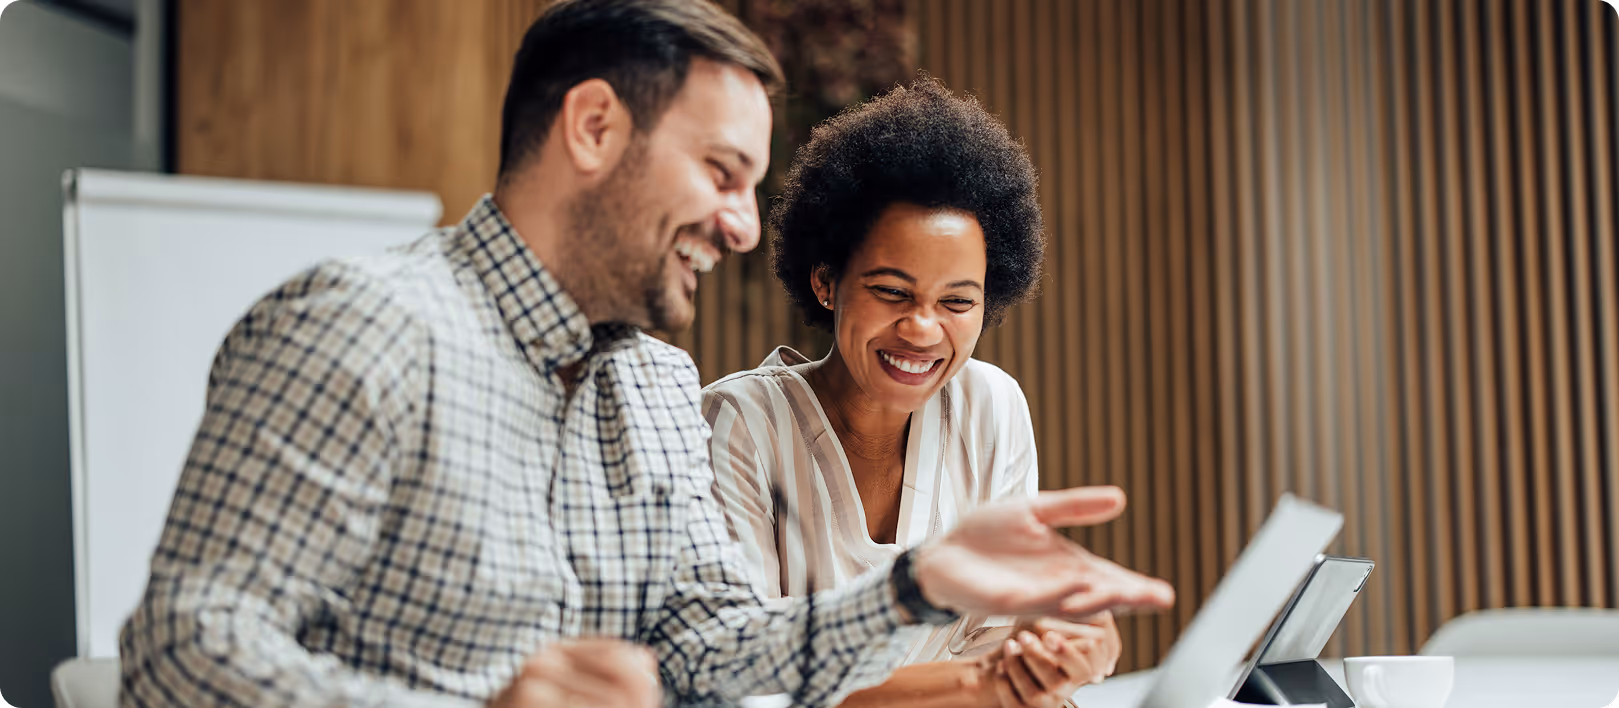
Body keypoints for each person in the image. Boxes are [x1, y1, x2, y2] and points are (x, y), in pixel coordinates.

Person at [118, 2, 1174, 707]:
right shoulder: (365, 325)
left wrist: (912, 588)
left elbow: (713, 653)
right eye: (719, 172)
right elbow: (179, 650)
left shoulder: (655, 385)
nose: (743, 225)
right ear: (591, 128)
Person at [704, 77, 1109, 708]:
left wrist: (1063, 649)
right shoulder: (740, 424)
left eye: (957, 302)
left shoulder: (989, 407)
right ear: (826, 282)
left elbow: (1000, 640)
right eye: (892, 292)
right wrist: (987, 682)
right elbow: (745, 681)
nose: (923, 329)